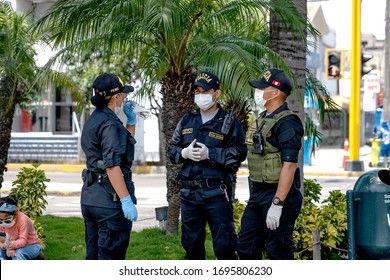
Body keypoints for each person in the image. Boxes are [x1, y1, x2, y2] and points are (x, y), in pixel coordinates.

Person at [168, 71, 247, 260]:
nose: (200, 95)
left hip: (216, 193)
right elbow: (172, 149)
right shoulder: (187, 119)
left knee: (225, 247)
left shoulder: (228, 122)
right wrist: (183, 153)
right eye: (197, 91)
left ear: (216, 93)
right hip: (189, 195)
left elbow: (240, 152)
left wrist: (210, 154)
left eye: (205, 91)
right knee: (192, 247)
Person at [237, 68, 304, 260]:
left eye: (262, 87)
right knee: (246, 246)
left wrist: (277, 203)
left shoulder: (288, 122)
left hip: (278, 195)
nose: (258, 91)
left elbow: (289, 165)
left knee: (278, 250)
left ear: (275, 92)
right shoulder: (261, 119)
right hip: (258, 193)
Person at [80, 73, 138, 260]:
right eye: (123, 94)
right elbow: (113, 166)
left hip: (91, 198)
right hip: (109, 203)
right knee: (110, 258)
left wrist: (130, 122)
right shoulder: (110, 123)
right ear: (115, 97)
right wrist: (126, 200)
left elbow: (121, 148)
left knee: (94, 256)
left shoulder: (95, 119)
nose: (125, 98)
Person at [0, 196, 43, 260]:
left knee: (18, 254)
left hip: (31, 245)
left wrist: (10, 247)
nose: (3, 222)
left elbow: (23, 241)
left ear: (15, 213)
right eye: (0, 220)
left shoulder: (23, 220)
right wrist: (6, 247)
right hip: (10, 245)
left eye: (7, 220)